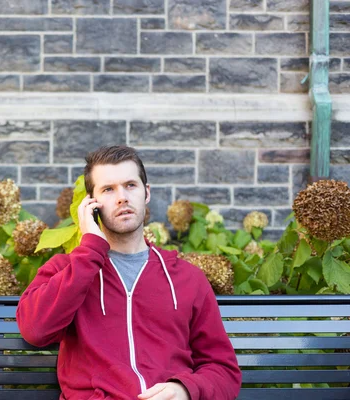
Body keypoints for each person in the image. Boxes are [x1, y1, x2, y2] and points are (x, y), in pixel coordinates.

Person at [16, 145, 242, 400]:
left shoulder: (187, 278)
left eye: (130, 185)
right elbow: (34, 329)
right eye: (108, 189)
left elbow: (224, 370)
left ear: (146, 193)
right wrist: (89, 249)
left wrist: (185, 390)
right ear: (92, 204)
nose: (121, 197)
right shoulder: (67, 270)